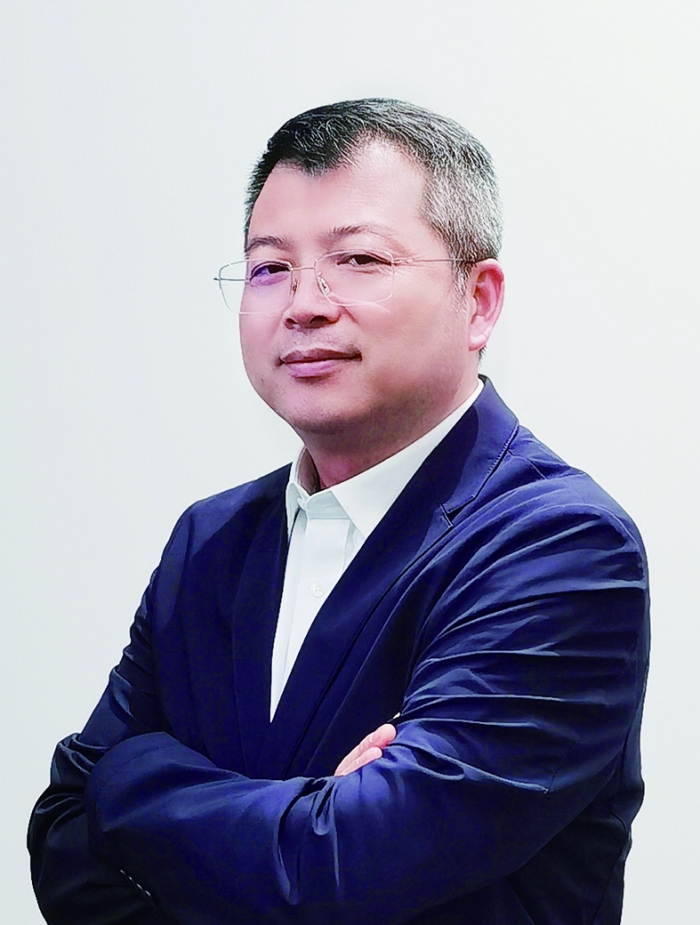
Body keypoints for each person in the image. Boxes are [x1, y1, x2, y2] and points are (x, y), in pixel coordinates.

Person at [28, 99, 649, 925]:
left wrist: (125, 779)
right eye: (269, 268)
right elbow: (63, 835)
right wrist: (310, 818)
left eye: (359, 259)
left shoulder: (558, 545)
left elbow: (344, 866)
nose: (305, 304)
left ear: (479, 301)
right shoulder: (209, 541)